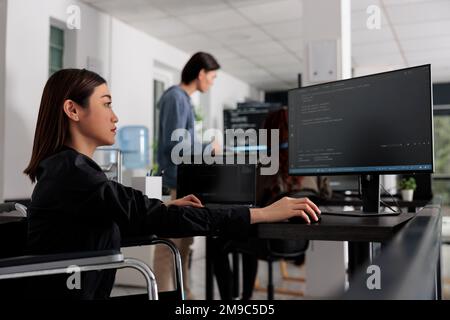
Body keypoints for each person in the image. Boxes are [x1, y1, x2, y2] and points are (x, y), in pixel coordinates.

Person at [23, 68, 321, 300]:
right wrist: (264, 213)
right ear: (73, 110)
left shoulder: (68, 170)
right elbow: (154, 217)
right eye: (106, 104)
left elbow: (121, 217)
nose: (115, 116)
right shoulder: (75, 173)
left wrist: (162, 207)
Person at [211, 107, 331, 300]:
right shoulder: (311, 162)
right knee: (247, 231)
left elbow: (251, 204)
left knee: (220, 239)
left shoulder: (264, 166)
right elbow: (326, 195)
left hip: (267, 241)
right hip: (300, 243)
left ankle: (233, 299)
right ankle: (244, 297)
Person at [154, 52, 221, 297]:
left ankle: (184, 294)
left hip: (186, 181)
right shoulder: (175, 98)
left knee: (183, 246)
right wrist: (208, 148)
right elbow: (175, 144)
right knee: (168, 245)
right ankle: (164, 294)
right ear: (201, 73)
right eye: (212, 76)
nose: (212, 81)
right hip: (176, 182)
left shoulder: (183, 100)